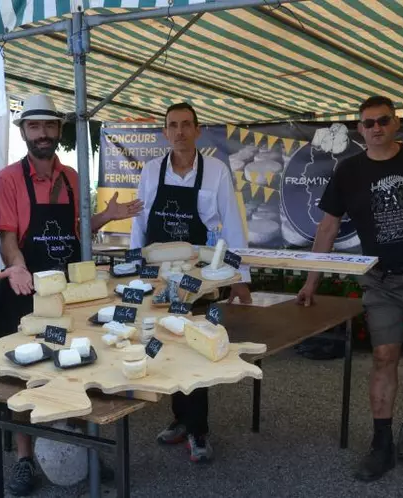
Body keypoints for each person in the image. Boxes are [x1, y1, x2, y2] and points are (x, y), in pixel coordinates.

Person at [0, 94, 143, 496]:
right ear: (24, 132)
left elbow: (75, 233)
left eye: (50, 126)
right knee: (21, 378)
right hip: (24, 292)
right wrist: (18, 267)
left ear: (59, 131)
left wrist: (106, 216)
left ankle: (79, 448)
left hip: (68, 294)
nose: (43, 134)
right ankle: (24, 458)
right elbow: (8, 239)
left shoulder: (73, 177)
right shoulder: (8, 179)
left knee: (72, 369)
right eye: (35, 126)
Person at [297, 96, 403, 482]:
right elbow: (327, 228)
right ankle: (381, 444)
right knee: (383, 356)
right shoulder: (349, 170)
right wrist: (311, 281)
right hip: (379, 279)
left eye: (383, 121)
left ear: (396, 125)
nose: (376, 128)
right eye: (368, 123)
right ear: (360, 129)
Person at [130, 102, 252, 463]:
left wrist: (241, 278)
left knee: (197, 347)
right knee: (167, 344)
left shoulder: (215, 171)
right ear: (165, 132)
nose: (180, 132)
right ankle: (181, 420)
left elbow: (231, 224)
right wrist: (136, 269)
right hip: (158, 278)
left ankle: (199, 430)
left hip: (199, 280)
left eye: (186, 125)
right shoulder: (151, 171)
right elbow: (139, 225)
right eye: (173, 126)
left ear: (198, 131)